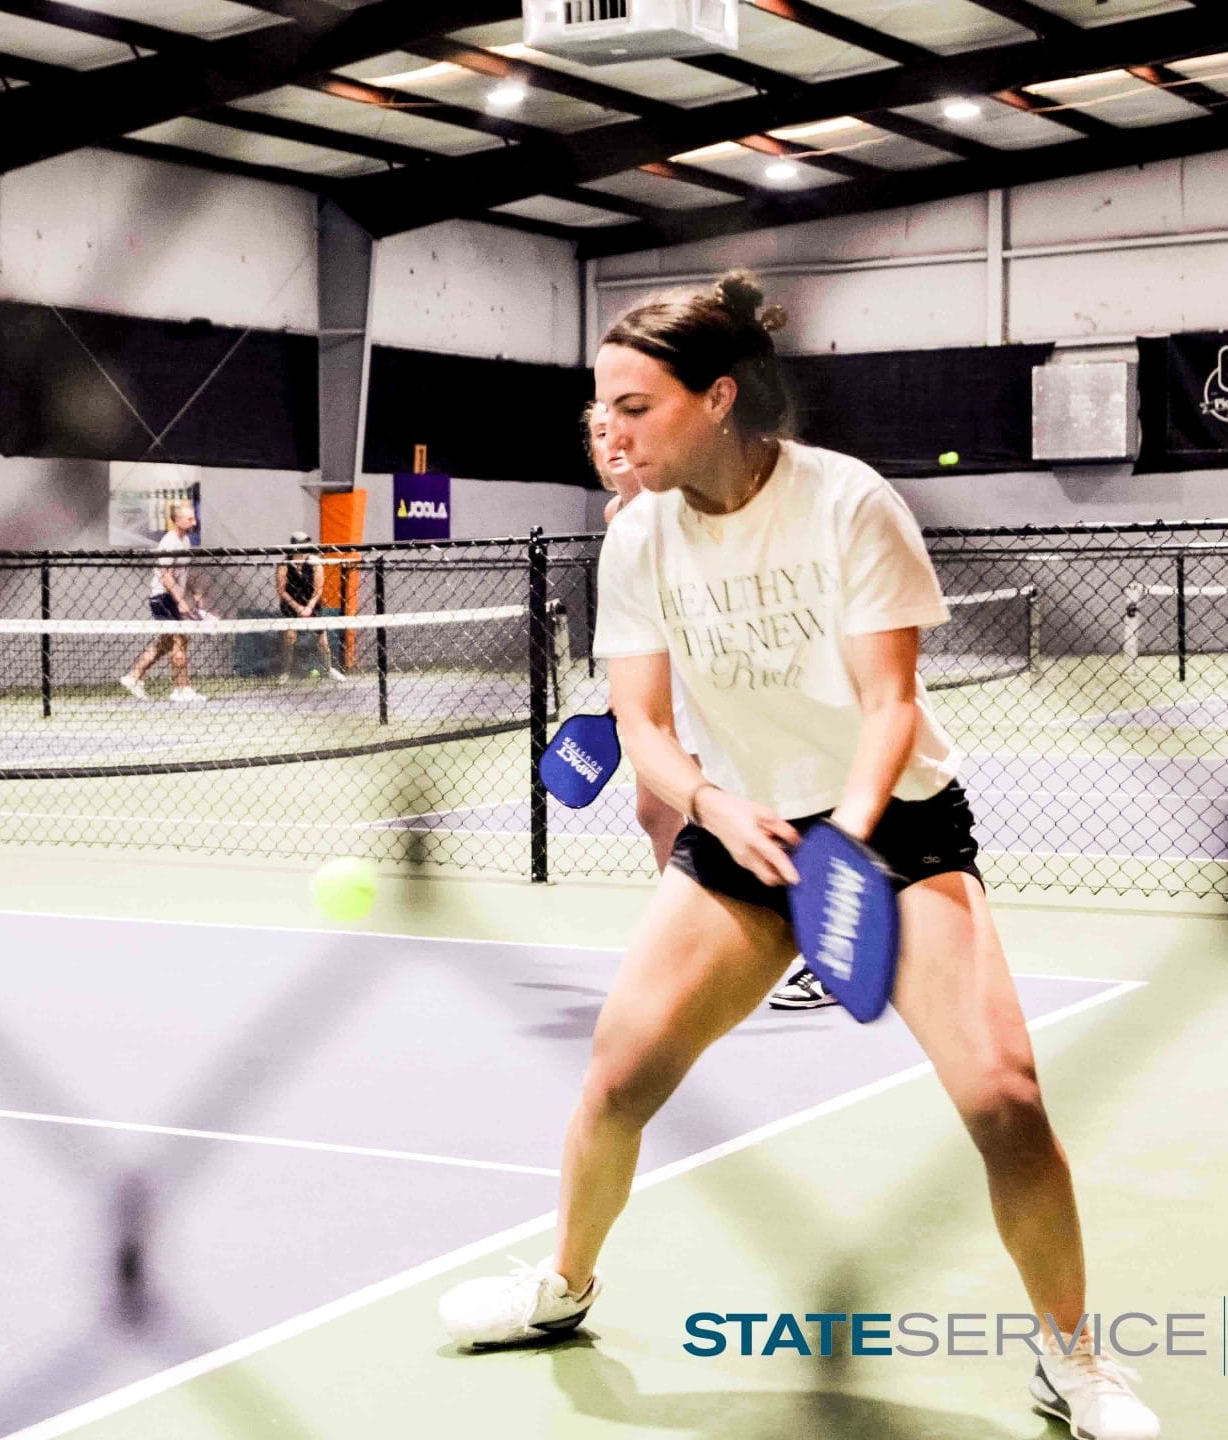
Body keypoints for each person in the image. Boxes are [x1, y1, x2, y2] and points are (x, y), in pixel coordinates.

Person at [441, 273, 1158, 1440]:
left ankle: (1073, 1361)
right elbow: (642, 727)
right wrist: (710, 806)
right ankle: (561, 1287)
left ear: (717, 397)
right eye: (602, 409)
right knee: (618, 1080)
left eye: (635, 407)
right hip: (742, 830)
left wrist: (849, 848)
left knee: (1003, 1098)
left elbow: (888, 705)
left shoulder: (845, 503)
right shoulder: (637, 539)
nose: (610, 433)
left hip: (896, 830)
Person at [591, 402, 836, 1014]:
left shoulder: (698, 500)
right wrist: (630, 690)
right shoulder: (620, 519)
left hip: (727, 682)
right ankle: (692, 935)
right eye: (599, 433)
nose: (614, 442)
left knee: (769, 811)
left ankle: (825, 947)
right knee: (657, 809)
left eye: (625, 426)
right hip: (669, 684)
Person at [120, 500, 207, 704]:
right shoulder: (170, 542)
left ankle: (133, 676)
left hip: (171, 597)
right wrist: (180, 600)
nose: (194, 522)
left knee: (166, 643)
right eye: (190, 519)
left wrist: (194, 592)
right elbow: (165, 575)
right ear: (177, 520)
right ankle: (181, 689)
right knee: (180, 640)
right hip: (162, 598)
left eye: (194, 518)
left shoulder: (185, 541)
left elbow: (183, 572)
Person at [272, 531, 345, 685]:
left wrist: (309, 607)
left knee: (323, 640)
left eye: (306, 543)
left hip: (311, 603)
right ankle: (285, 672)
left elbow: (318, 589)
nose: (304, 547)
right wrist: (298, 608)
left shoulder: (315, 563)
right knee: (290, 637)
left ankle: (328, 669)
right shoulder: (284, 564)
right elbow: (281, 590)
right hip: (291, 604)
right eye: (301, 544)